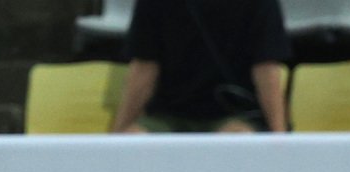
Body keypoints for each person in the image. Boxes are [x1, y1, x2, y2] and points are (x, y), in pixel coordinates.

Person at [111, 0, 290, 134]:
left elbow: (266, 71)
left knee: (238, 142)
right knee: (135, 142)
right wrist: (118, 137)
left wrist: (279, 138)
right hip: (166, 115)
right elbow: (144, 71)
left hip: (234, 114)